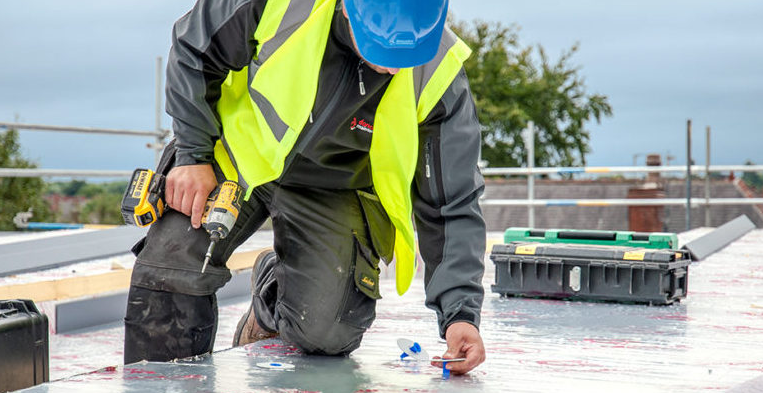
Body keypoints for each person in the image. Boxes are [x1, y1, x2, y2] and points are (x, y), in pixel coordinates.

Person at [124, 0, 487, 375]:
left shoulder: (439, 73)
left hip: (333, 185)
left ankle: (272, 292)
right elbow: (194, 49)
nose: (393, 66)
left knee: (327, 332)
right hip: (236, 154)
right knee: (171, 268)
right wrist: (192, 155)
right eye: (381, 48)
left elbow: (452, 202)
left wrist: (460, 315)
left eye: (407, 55)